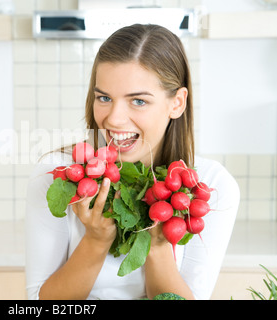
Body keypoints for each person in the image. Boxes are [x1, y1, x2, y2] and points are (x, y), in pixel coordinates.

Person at [25, 24, 240, 300]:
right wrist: (95, 240)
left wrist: (158, 245)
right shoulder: (59, 176)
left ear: (177, 102)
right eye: (104, 97)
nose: (113, 119)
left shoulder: (210, 186)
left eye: (138, 101)